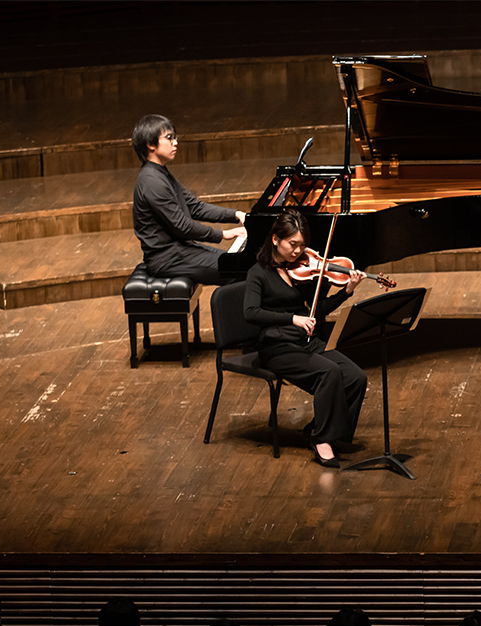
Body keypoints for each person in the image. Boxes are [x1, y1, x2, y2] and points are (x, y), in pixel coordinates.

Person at [244, 209, 369, 467]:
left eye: (302, 245)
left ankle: (319, 430)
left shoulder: (301, 271)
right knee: (329, 373)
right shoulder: (258, 273)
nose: (298, 251)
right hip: (277, 347)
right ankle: (322, 440)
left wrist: (347, 291)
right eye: (292, 244)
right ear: (276, 239)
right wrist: (292, 318)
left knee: (356, 377)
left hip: (306, 342)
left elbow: (318, 309)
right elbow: (251, 312)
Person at [131, 114, 247, 284]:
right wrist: (224, 234)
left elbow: (195, 207)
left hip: (181, 251)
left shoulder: (161, 174)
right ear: (150, 144)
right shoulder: (152, 182)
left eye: (174, 138)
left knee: (243, 265)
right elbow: (182, 226)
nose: (175, 143)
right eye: (169, 138)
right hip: (168, 259)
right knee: (240, 270)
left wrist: (236, 214)